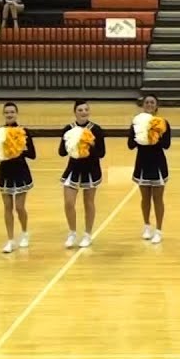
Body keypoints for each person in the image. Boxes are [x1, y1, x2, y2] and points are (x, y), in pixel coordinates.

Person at [59, 100, 107, 249]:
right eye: (80, 110)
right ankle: (72, 233)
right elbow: (61, 152)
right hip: (73, 169)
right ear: (75, 112)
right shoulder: (69, 129)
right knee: (69, 203)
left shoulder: (96, 130)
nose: (83, 112)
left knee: (88, 203)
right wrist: (71, 144)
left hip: (91, 170)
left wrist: (91, 144)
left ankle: (87, 234)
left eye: (86, 109)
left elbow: (101, 153)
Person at [0, 101, 37, 254]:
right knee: (7, 207)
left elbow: (32, 154)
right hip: (5, 173)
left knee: (19, 207)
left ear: (16, 114)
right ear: (3, 114)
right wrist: (1, 151)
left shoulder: (24, 131)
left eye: (12, 112)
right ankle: (10, 240)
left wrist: (18, 149)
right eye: (7, 112)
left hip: (21, 172)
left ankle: (24, 233)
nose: (10, 114)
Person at [130, 94, 172, 244]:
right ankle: (147, 225)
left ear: (156, 106)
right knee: (145, 197)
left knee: (158, 198)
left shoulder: (163, 122)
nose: (149, 104)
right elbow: (130, 144)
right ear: (143, 105)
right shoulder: (136, 122)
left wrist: (156, 134)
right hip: (142, 163)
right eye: (146, 102)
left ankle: (159, 230)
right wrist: (140, 134)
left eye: (152, 102)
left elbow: (166, 145)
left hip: (158, 163)